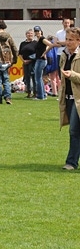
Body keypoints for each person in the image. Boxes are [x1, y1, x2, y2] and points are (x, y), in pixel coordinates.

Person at [58, 27, 80, 171]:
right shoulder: (64, 55)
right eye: (66, 39)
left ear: (79, 41)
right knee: (75, 131)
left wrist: (72, 75)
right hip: (69, 98)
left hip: (79, 99)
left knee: (74, 130)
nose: (67, 42)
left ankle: (71, 162)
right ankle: (72, 161)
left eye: (71, 40)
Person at [32, 26, 54, 100]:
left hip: (41, 60)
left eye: (38, 31)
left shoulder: (42, 39)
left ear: (41, 31)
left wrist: (45, 53)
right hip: (39, 59)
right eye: (36, 31)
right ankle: (43, 94)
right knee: (39, 78)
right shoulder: (38, 40)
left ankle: (40, 96)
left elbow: (51, 45)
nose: (37, 32)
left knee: (37, 78)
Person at [19, 28, 37, 98]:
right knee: (27, 78)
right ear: (26, 35)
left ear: (33, 35)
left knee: (34, 77)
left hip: (33, 62)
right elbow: (20, 54)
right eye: (28, 33)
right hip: (25, 62)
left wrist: (30, 60)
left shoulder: (35, 43)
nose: (30, 35)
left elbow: (37, 53)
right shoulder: (22, 43)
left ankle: (35, 92)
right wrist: (23, 61)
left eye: (31, 33)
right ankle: (29, 92)